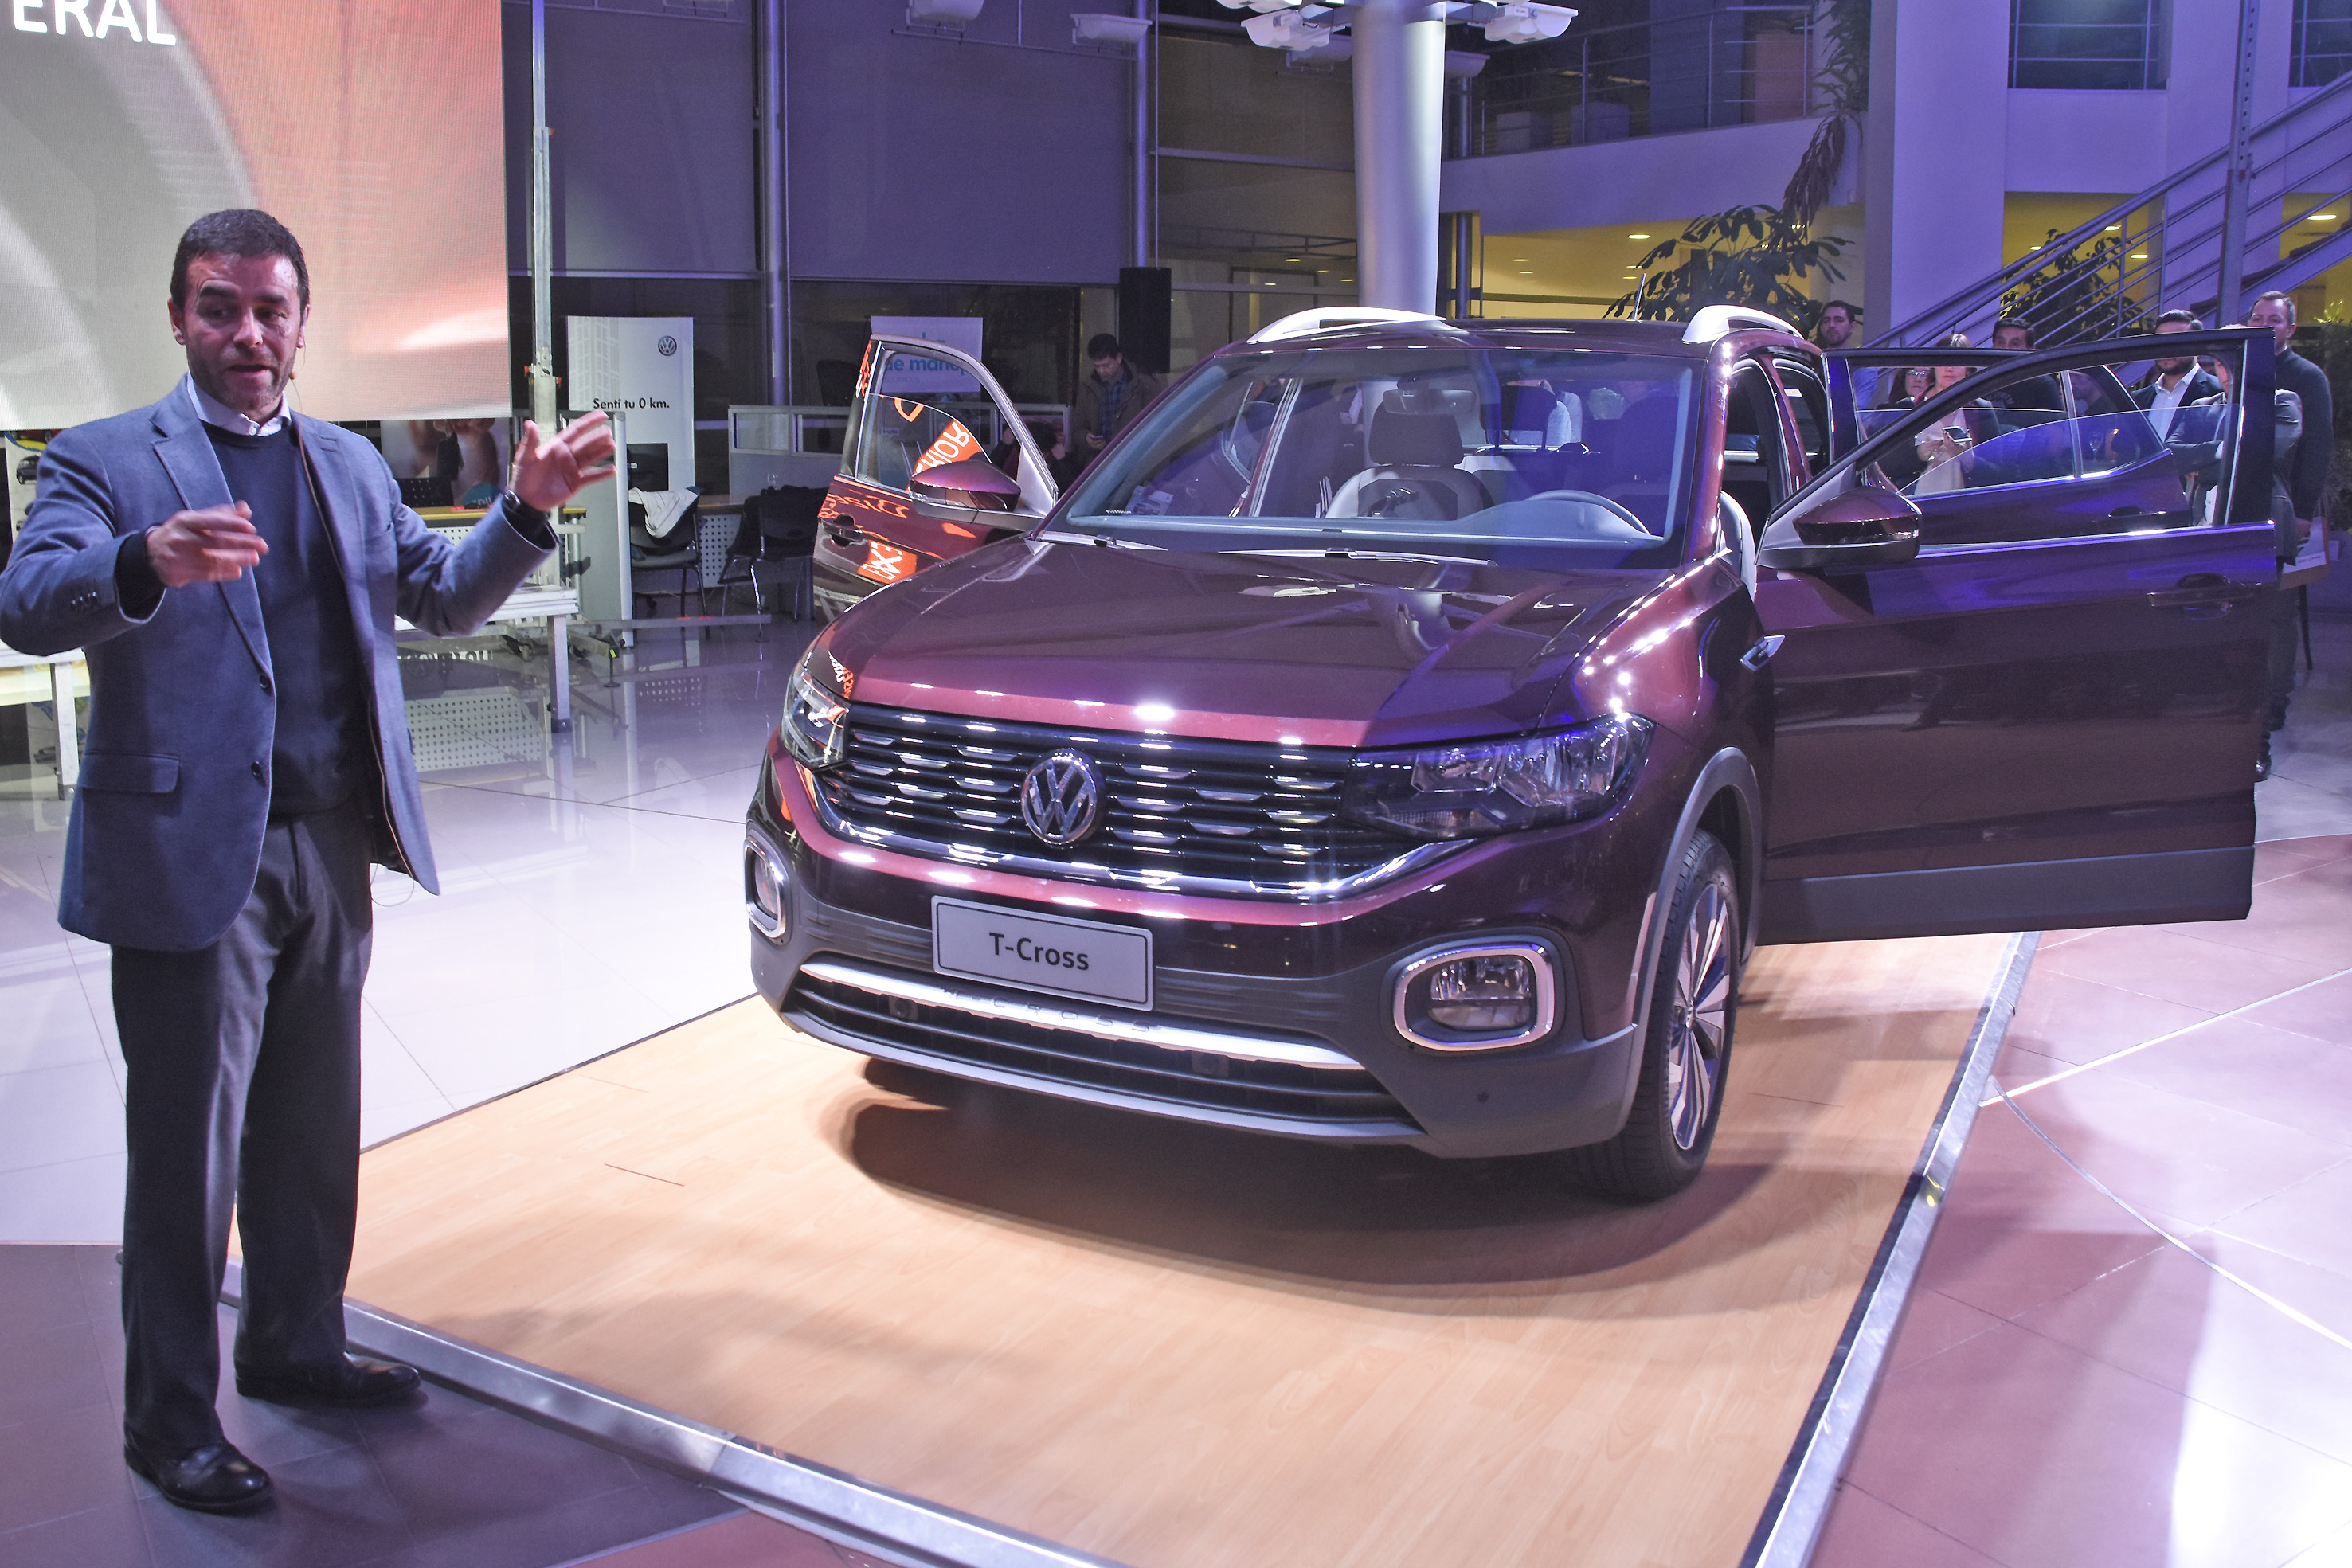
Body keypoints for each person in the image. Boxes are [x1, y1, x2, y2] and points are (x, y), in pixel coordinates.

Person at [0, 210, 616, 1515]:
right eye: (219, 307)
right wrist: (141, 561)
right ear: (178, 317)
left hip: (332, 846)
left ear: (301, 322)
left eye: (270, 309)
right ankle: (168, 1421)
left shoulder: (346, 462)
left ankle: (294, 1342)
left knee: (309, 1133)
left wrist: (525, 507)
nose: (247, 333)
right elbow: (27, 599)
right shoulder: (106, 459)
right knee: (186, 1158)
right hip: (185, 862)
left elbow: (441, 594)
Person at [2195, 341, 2305, 778]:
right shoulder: (2201, 407)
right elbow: (2174, 453)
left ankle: (2255, 744)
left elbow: (2261, 454)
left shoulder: (2283, 402)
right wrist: (2221, 453)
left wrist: (2209, 454)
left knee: (2257, 640)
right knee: (2208, 638)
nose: (2226, 370)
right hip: (2205, 530)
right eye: (2221, 363)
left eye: (2234, 361)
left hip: (2259, 533)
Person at [2248, 291, 2334, 552]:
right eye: (2257, 319)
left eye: (2274, 320)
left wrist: (2303, 511)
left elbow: (2317, 447)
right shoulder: (2235, 371)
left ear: (2290, 329)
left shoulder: (2308, 377)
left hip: (2281, 503)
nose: (2264, 326)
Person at [1071, 333, 1164, 467]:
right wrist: (1087, 438)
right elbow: (1077, 429)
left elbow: (1158, 426)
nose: (1101, 371)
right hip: (1099, 463)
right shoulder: (1087, 388)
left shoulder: (1144, 384)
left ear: (1119, 358)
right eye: (1097, 366)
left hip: (1134, 462)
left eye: (1106, 365)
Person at [2133, 309, 2222, 437]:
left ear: (2197, 345)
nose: (2167, 349)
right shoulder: (2138, 399)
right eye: (2160, 342)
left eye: (2176, 342)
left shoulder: (2218, 393)